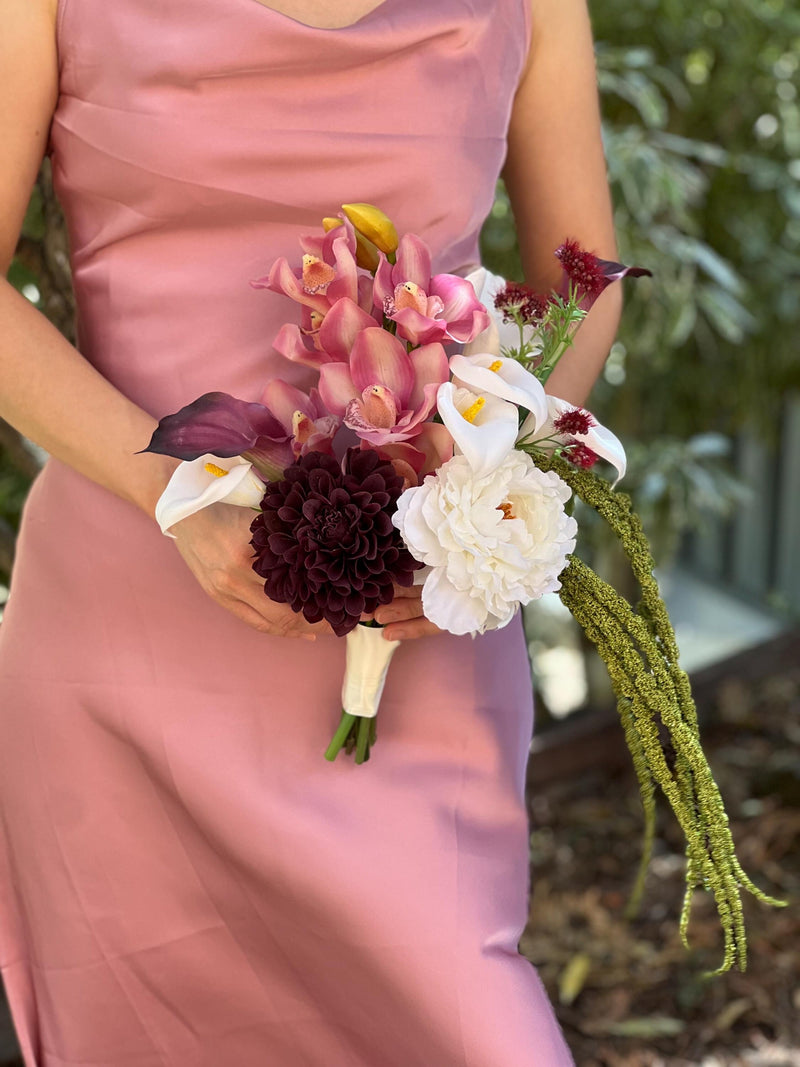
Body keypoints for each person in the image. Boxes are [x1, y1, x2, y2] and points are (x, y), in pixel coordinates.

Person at [0, 0, 621, 1062]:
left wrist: (475, 497)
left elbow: (585, 280)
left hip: (418, 630)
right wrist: (179, 491)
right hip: (130, 641)